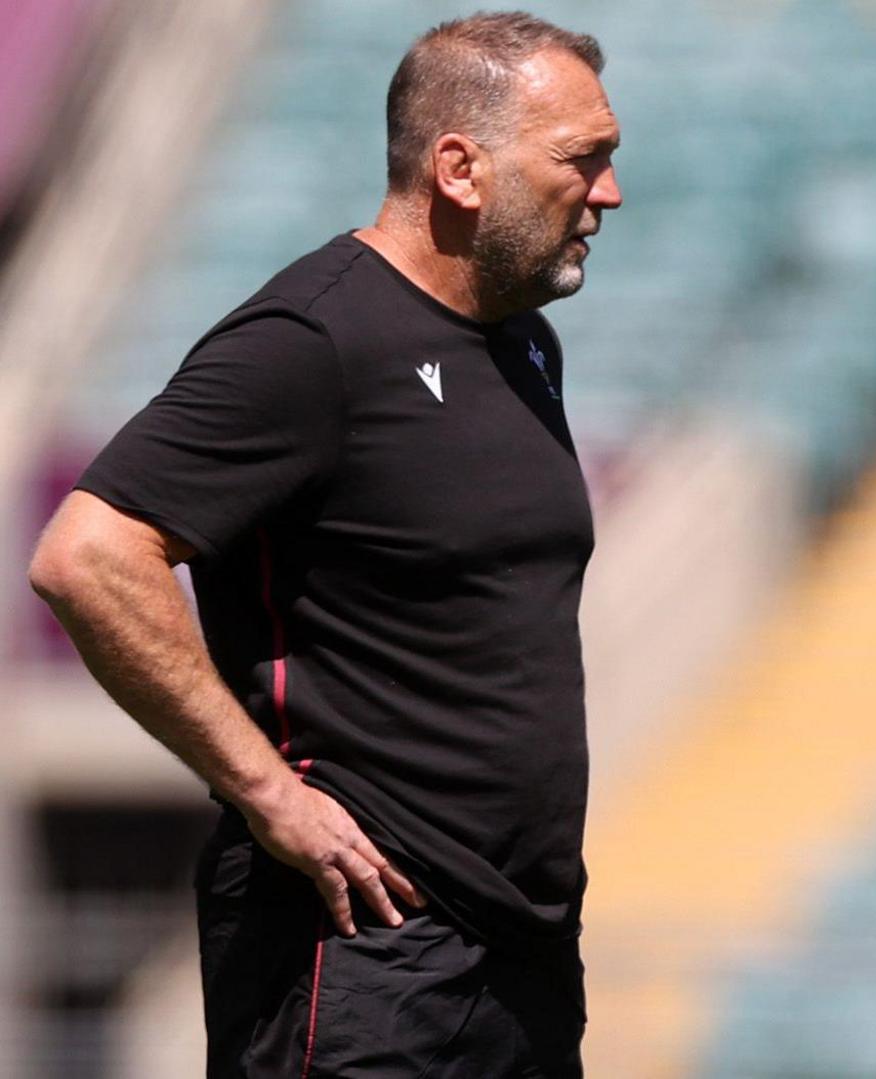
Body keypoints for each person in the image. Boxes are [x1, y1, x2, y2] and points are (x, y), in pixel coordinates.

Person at [28, 11, 621, 1076]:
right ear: (460, 167)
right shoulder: (313, 339)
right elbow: (88, 552)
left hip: (526, 959)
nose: (609, 192)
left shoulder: (524, 343)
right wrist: (268, 792)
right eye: (584, 159)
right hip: (360, 956)